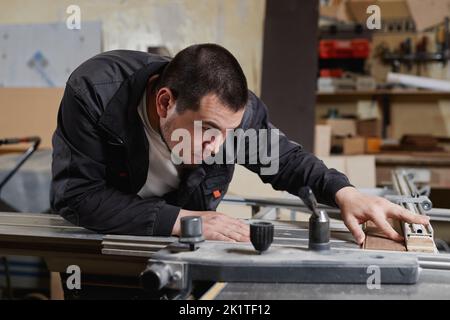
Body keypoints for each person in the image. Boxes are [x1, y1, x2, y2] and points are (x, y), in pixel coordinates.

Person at [50, 43, 429, 245]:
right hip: (108, 250)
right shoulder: (95, 94)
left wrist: (345, 193)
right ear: (165, 102)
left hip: (186, 256)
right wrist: (185, 221)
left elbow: (286, 160)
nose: (218, 148)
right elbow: (78, 196)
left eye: (229, 135)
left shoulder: (232, 113)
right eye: (208, 131)